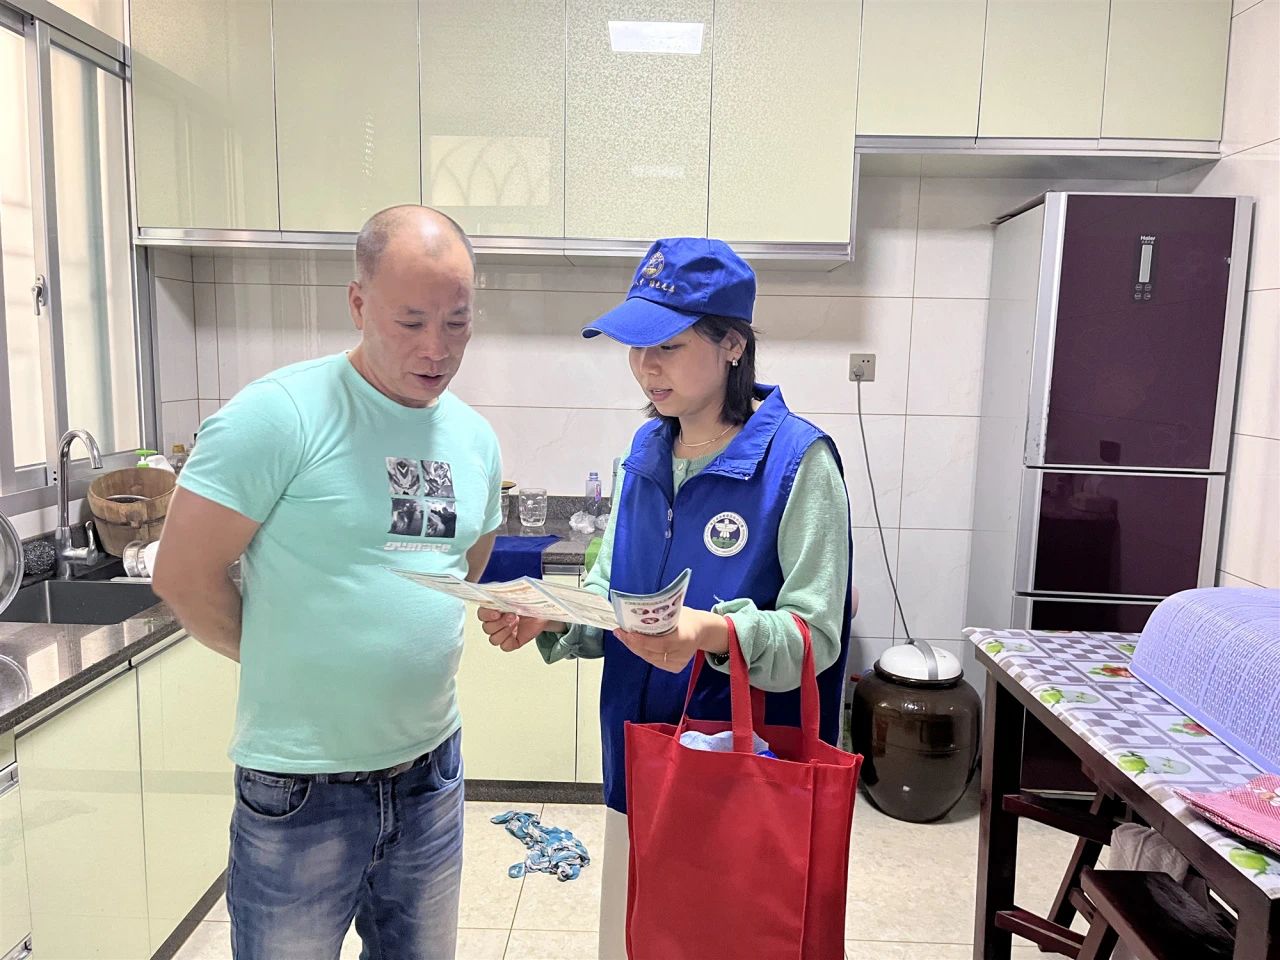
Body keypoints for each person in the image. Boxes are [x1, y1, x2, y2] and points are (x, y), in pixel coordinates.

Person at [476, 237, 853, 958]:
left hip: (739, 769)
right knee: (636, 934)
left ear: (733, 345)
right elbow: (611, 590)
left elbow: (816, 639)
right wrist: (553, 615)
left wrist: (709, 633)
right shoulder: (645, 454)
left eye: (669, 347)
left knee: (726, 938)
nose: (647, 367)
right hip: (638, 755)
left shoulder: (798, 463)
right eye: (637, 348)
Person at [153, 205, 502, 960]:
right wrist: (286, 653)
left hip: (430, 776)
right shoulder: (279, 415)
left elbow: (465, 561)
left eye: (457, 323)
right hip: (300, 788)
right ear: (358, 303)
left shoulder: (474, 437)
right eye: (411, 322)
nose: (436, 348)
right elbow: (183, 574)